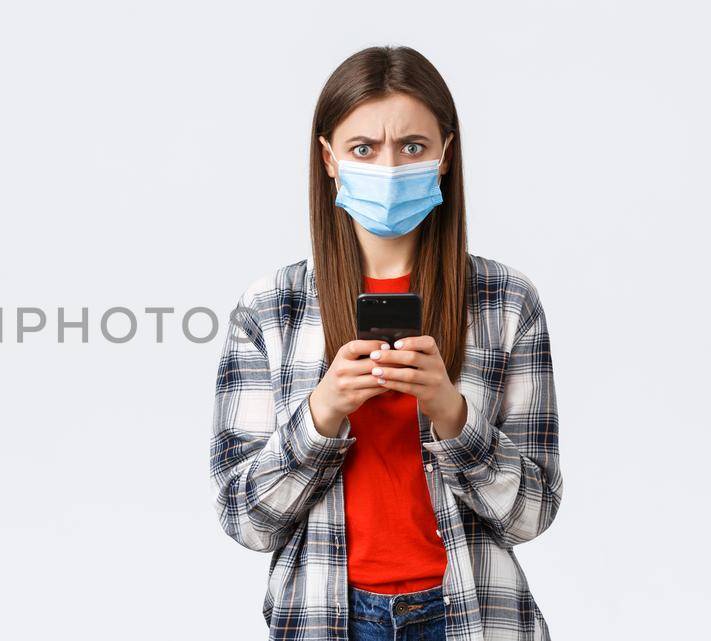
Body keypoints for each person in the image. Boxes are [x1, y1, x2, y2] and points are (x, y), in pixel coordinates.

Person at [209, 45, 562, 641]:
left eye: (413, 147)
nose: (391, 167)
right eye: (364, 148)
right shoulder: (271, 307)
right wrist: (322, 414)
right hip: (325, 616)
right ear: (329, 159)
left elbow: (531, 512)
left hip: (474, 615)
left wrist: (454, 415)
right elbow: (246, 520)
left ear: (445, 155)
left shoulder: (504, 300)